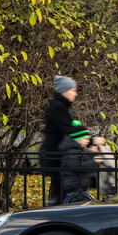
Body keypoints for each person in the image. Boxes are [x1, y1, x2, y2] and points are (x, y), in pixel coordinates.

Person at [42, 75, 78, 206]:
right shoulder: (58, 107)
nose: (75, 93)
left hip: (55, 154)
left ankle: (54, 210)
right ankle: (54, 214)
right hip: (55, 155)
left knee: (59, 188)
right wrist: (90, 140)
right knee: (59, 189)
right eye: (73, 90)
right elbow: (67, 129)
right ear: (64, 90)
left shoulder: (60, 106)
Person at [58, 124, 104, 203]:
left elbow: (84, 161)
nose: (88, 141)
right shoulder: (71, 151)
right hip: (74, 189)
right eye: (85, 138)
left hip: (80, 189)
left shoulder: (77, 150)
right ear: (78, 138)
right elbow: (78, 166)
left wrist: (92, 153)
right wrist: (94, 161)